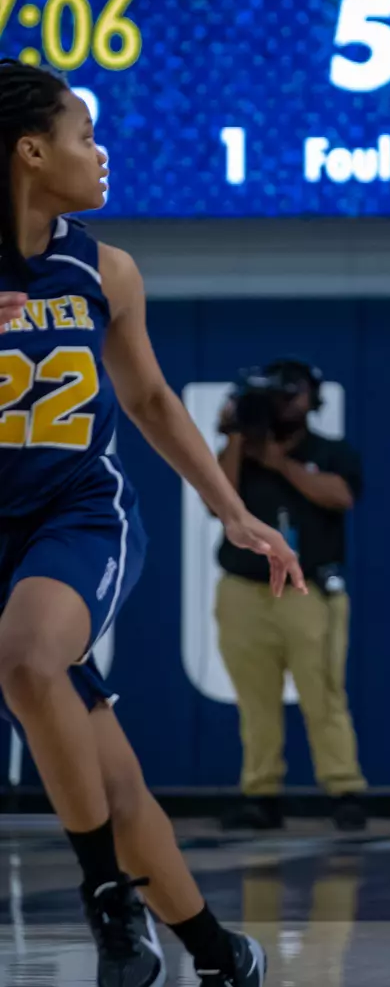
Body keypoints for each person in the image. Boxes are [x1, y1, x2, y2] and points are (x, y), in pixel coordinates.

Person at [0, 60, 293, 984]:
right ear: (31, 149)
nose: (100, 152)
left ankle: (109, 910)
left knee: (29, 656)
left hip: (75, 515)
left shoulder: (105, 270)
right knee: (112, 779)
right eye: (84, 134)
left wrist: (235, 511)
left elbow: (156, 403)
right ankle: (217, 951)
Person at [215, 359, 367, 833]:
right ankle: (260, 793)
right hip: (244, 587)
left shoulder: (329, 450)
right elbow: (215, 499)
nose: (280, 406)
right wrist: (238, 436)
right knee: (254, 698)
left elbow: (340, 496)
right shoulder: (240, 450)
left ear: (310, 400)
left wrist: (279, 463)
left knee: (322, 692)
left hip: (307, 589)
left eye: (289, 395)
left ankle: (343, 789)